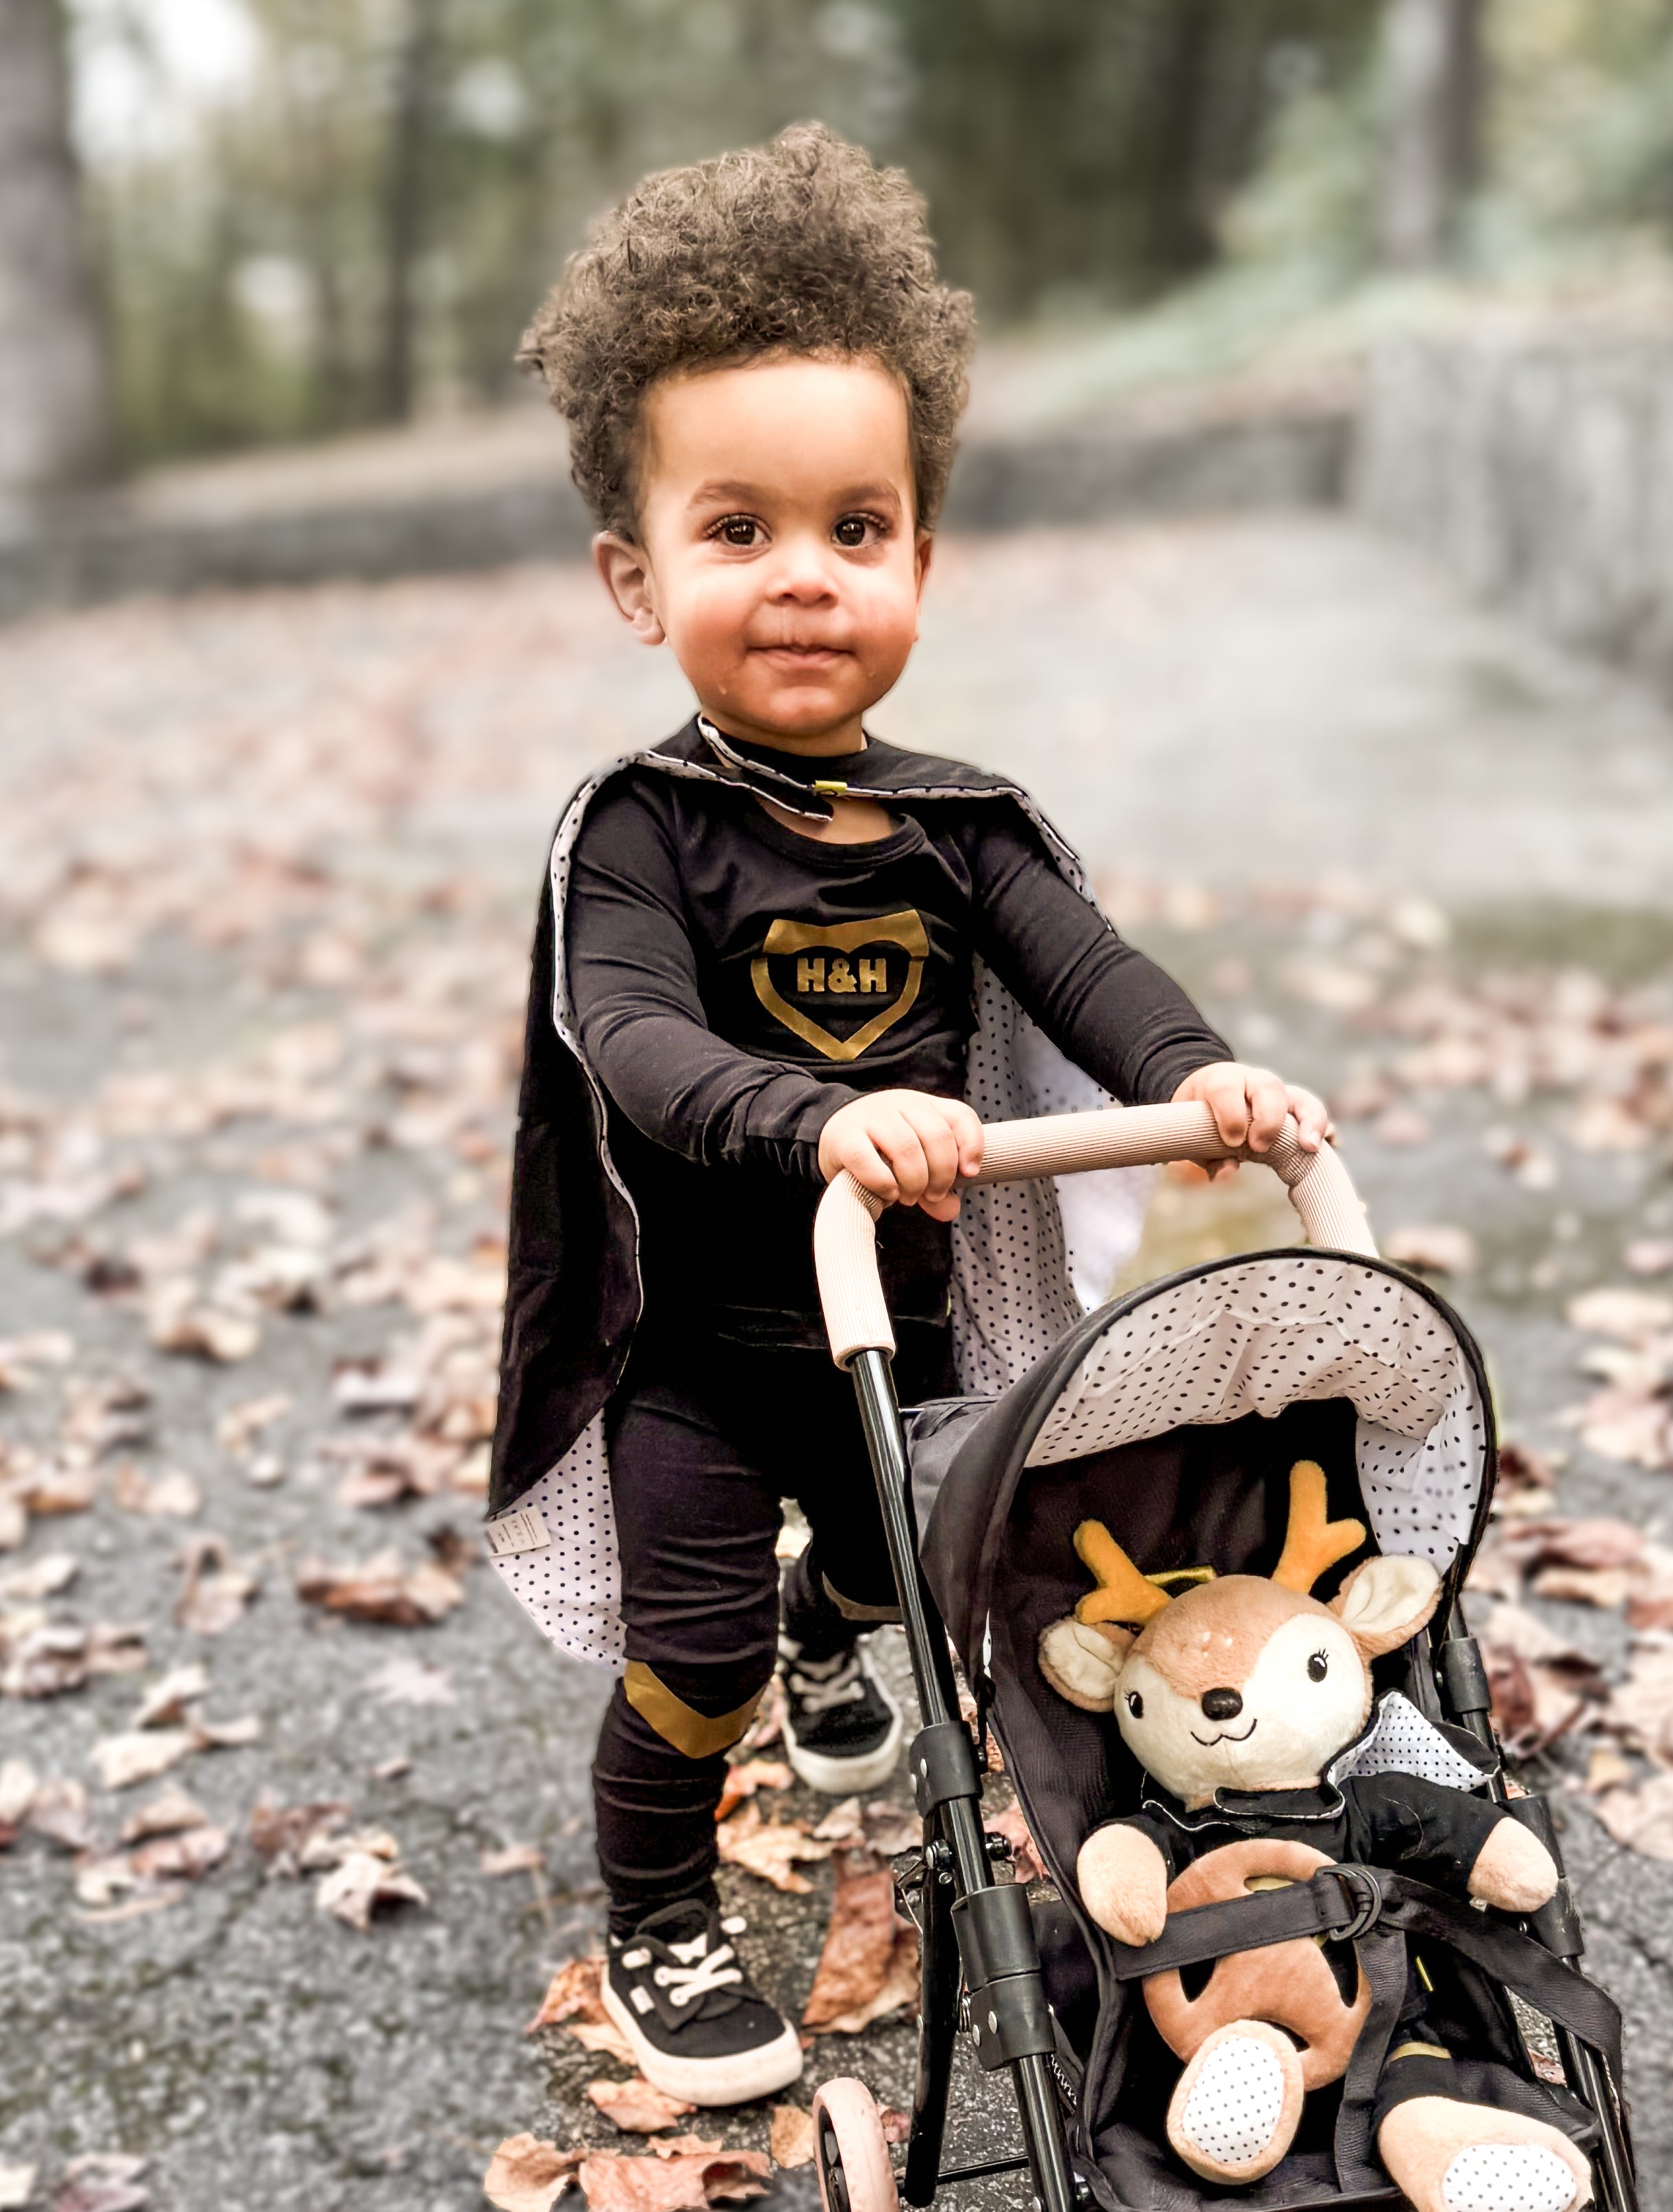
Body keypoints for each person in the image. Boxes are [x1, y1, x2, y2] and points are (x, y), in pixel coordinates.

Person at [485, 122, 1327, 2109]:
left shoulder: (961, 829)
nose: (805, 576)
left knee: (902, 1573)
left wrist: (1195, 1073)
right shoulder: (638, 833)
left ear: (920, 566)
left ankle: (832, 1622)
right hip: (696, 1356)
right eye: (739, 530)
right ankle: (660, 1910)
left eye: (855, 529)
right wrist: (815, 1119)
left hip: (907, 1331)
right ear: (636, 579)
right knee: (696, 1657)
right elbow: (629, 1038)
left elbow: (1088, 967)